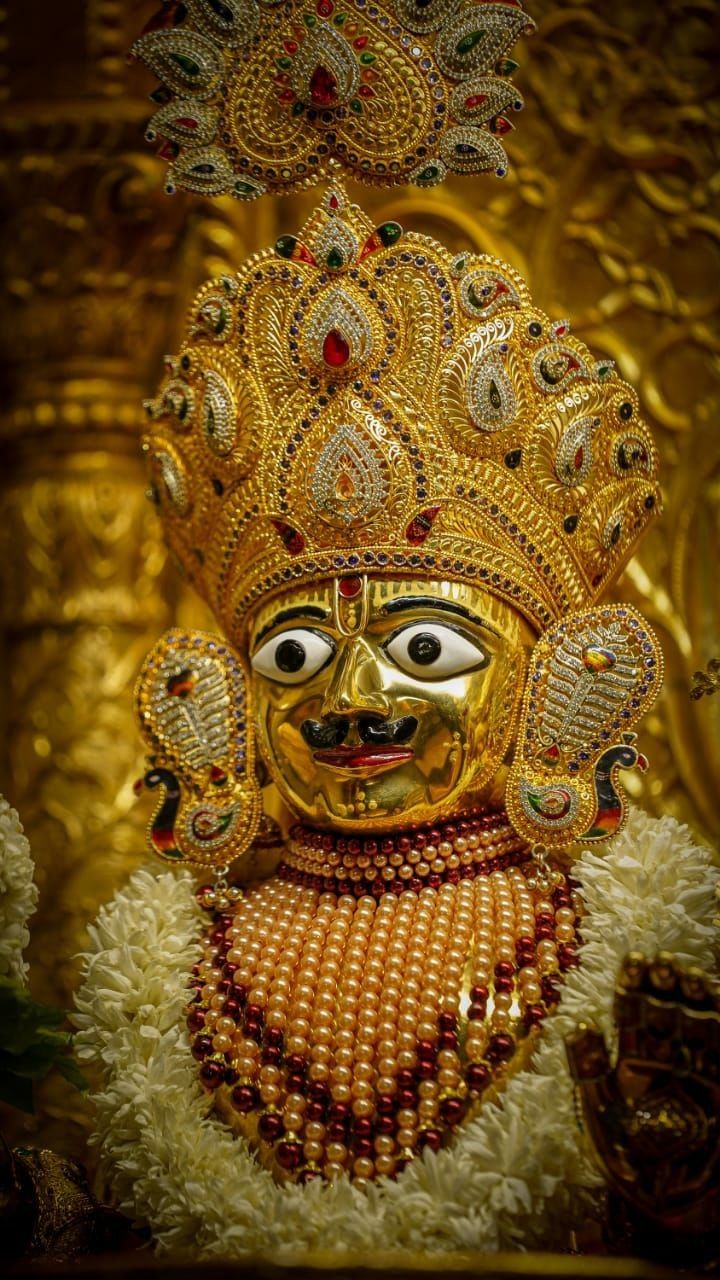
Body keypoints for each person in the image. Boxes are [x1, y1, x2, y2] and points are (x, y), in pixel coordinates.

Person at [73, 188, 719, 1263]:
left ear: (550, 683)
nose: (348, 702)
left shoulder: (619, 932)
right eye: (295, 658)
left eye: (426, 650)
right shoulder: (178, 955)